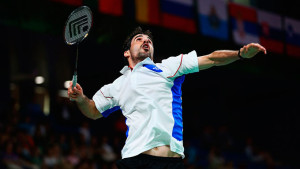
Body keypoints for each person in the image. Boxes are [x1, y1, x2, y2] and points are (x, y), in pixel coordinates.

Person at [68, 27, 267, 169]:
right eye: (139, 39)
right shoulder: (116, 86)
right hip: (134, 160)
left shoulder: (169, 67)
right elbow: (93, 111)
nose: (146, 41)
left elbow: (212, 58)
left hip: (169, 161)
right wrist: (80, 98)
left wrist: (240, 53)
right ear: (127, 52)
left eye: (149, 40)